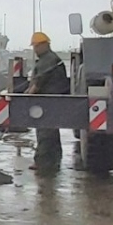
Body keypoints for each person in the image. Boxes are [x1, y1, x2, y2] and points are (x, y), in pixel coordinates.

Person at [27, 32, 69, 172]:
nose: (35, 49)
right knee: (52, 130)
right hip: (53, 99)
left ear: (45, 45)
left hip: (48, 100)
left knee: (45, 131)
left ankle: (42, 162)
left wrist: (27, 96)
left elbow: (39, 81)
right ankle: (54, 161)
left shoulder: (48, 60)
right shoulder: (50, 58)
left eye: (36, 46)